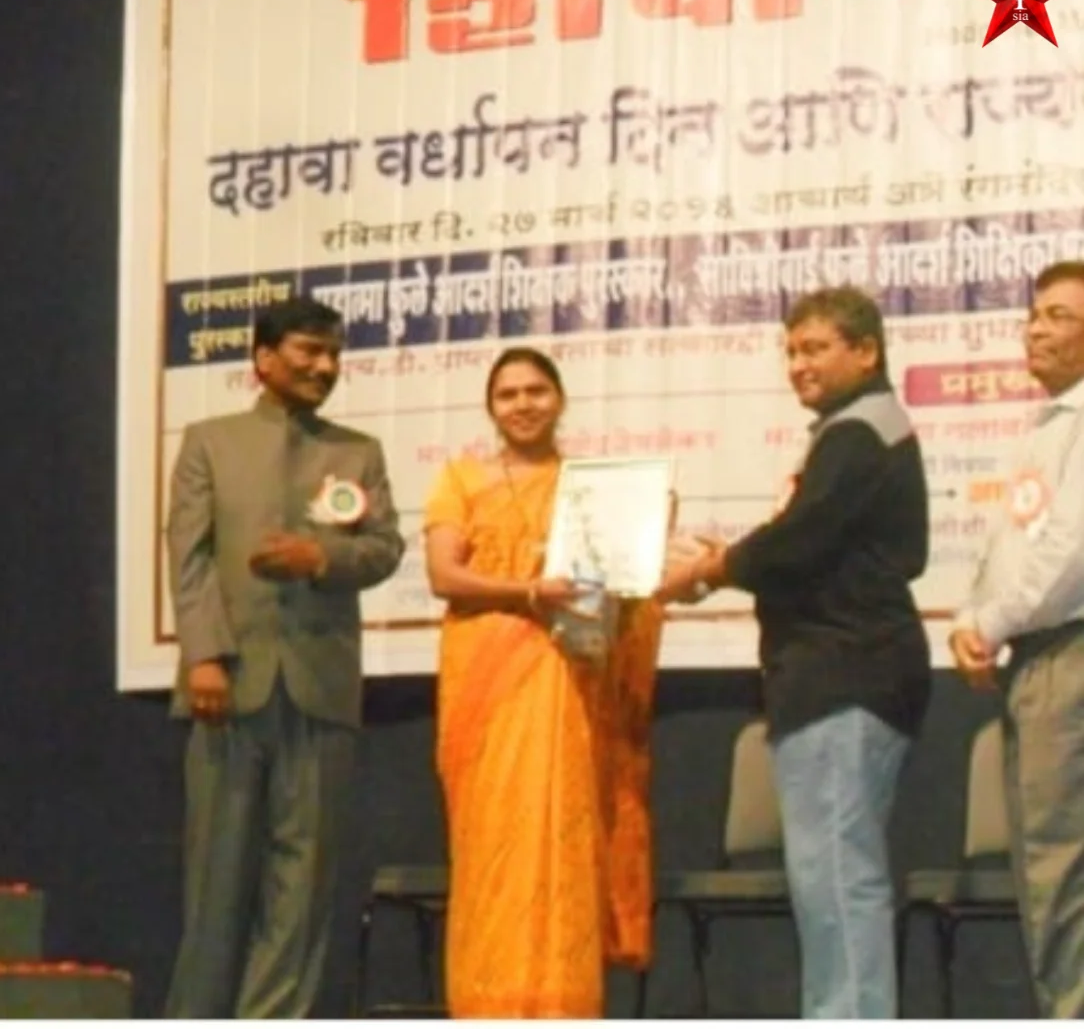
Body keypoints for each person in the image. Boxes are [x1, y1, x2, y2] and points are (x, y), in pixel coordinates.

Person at [659, 286, 931, 1019]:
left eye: (816, 348)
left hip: (844, 675)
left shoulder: (860, 432)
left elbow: (801, 539)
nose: (798, 364)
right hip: (840, 675)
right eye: (790, 351)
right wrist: (726, 561)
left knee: (837, 881)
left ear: (866, 351)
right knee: (829, 882)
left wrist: (713, 568)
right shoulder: (854, 430)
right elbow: (814, 542)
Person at [163, 297, 405, 1017]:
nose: (325, 367)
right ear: (264, 359)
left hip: (320, 689)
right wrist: (205, 656)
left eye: (334, 354)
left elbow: (384, 549)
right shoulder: (210, 441)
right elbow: (189, 557)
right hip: (229, 686)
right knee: (217, 880)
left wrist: (320, 558)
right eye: (308, 351)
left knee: (302, 889)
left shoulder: (357, 452)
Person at [422, 346, 666, 1018]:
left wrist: (650, 551)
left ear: (559, 400)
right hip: (487, 684)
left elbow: (627, 589)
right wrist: (528, 592)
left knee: (561, 841)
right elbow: (444, 575)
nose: (523, 404)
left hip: (568, 681)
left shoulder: (593, 488)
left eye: (536, 391)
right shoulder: (461, 479)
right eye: (508, 394)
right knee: (491, 853)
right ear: (490, 408)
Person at [949, 260, 1084, 1019]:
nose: (1037, 329)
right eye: (1034, 314)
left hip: (1069, 655)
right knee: (1045, 865)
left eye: (1060, 315)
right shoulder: (1047, 426)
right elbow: (1009, 544)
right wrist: (971, 620)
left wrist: (993, 623)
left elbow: (1069, 551)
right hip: (1039, 658)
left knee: (1059, 864)